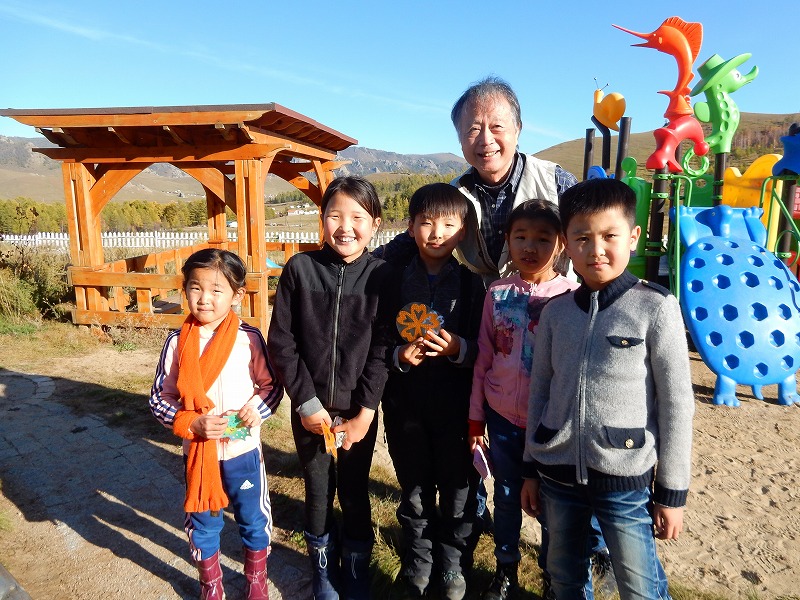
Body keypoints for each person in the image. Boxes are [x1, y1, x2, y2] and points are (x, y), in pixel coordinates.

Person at [521, 178, 695, 599]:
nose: (596, 249)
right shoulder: (556, 312)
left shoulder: (655, 307)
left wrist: (671, 492)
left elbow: (676, 403)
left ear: (633, 237)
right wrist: (530, 468)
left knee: (640, 587)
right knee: (563, 578)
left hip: (625, 479)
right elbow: (539, 391)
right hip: (558, 477)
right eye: (582, 238)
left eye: (609, 236)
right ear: (566, 244)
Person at [267, 176, 393, 600]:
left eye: (358, 217)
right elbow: (282, 342)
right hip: (310, 411)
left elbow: (382, 348)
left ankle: (356, 569)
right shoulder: (300, 269)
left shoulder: (382, 277)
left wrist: (365, 413)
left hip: (357, 413)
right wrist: (306, 402)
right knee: (318, 490)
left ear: (375, 224)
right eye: (335, 215)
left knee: (355, 490)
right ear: (322, 219)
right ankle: (322, 570)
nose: (346, 227)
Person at [149, 248, 283, 600]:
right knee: (204, 522)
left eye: (216, 290)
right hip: (199, 455)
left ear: (237, 295)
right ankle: (211, 583)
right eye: (195, 288)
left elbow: (271, 387)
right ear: (184, 289)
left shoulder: (248, 338)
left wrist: (256, 409)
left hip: (243, 452)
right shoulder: (177, 343)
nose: (204, 298)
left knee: (253, 519)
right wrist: (191, 424)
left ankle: (256, 579)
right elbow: (159, 398)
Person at [468, 200, 578, 600]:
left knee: (551, 504)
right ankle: (506, 569)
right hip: (501, 419)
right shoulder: (497, 294)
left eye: (543, 238)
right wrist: (475, 418)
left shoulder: (571, 297)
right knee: (506, 495)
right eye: (521, 237)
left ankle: (551, 575)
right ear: (508, 241)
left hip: (549, 424)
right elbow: (484, 356)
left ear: (561, 243)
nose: (530, 247)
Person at [381, 183, 486, 600]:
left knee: (459, 491)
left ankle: (453, 563)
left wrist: (460, 348)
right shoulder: (391, 280)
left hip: (456, 411)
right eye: (426, 222)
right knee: (415, 490)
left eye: (448, 224)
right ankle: (419, 560)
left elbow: (487, 349)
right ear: (410, 227)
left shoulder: (473, 286)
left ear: (463, 231)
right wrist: (398, 355)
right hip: (405, 408)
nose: (436, 232)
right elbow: (375, 340)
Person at [375, 75, 577, 285]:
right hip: (482, 303)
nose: (486, 140)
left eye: (497, 126)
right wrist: (362, 262)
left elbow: (590, 240)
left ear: (517, 129)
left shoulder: (556, 182)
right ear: (460, 138)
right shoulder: (456, 193)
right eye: (474, 129)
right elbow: (412, 239)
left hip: (555, 302)